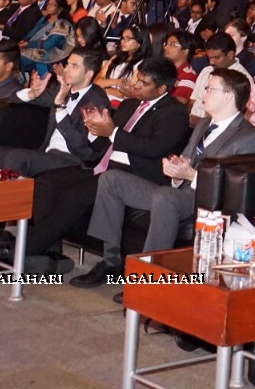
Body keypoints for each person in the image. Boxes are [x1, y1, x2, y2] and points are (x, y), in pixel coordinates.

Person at [73, 68, 255, 287]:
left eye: (210, 89)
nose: (203, 93)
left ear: (229, 96)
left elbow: (238, 188)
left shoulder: (249, 136)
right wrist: (176, 169)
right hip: (181, 191)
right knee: (111, 179)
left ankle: (148, 277)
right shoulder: (203, 124)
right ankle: (111, 261)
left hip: (207, 204)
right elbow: (185, 160)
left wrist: (191, 175)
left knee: (165, 196)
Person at [19, 57, 190, 275]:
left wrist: (112, 132)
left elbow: (153, 148)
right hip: (103, 166)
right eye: (137, 79)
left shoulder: (174, 113)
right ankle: (48, 253)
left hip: (136, 174)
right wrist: (94, 130)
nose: (136, 85)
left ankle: (25, 251)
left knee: (75, 195)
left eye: (144, 83)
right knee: (47, 183)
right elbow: (106, 141)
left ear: (162, 88)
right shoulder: (130, 104)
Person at [0, 49, 111, 176]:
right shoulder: (62, 88)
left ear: (88, 74)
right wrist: (32, 93)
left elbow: (83, 148)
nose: (66, 69)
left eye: (74, 66)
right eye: (67, 64)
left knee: (16, 158)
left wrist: (60, 107)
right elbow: (14, 99)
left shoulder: (97, 102)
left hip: (74, 161)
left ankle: (9, 195)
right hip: (49, 153)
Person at [19, 0, 75, 76]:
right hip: (35, 48)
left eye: (53, 5)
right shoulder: (44, 19)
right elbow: (31, 34)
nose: (48, 6)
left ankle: (21, 83)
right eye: (48, 4)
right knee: (11, 53)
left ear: (60, 9)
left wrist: (28, 44)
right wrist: (23, 41)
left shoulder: (62, 25)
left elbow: (48, 44)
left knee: (19, 57)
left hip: (52, 54)